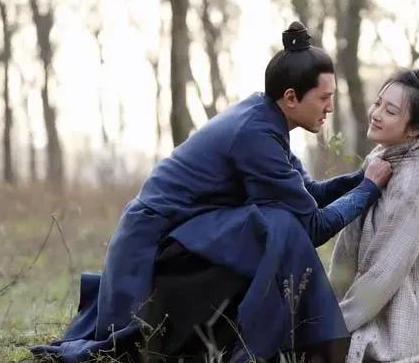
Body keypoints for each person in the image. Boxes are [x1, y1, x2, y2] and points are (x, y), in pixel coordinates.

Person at [32, 22, 393, 363]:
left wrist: (360, 177)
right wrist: (368, 189)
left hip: (196, 232)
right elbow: (312, 226)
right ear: (291, 98)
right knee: (280, 226)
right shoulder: (255, 135)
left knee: (279, 221)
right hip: (155, 242)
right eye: (324, 97)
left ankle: (272, 337)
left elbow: (308, 194)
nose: (330, 107)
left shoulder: (266, 119)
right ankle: (287, 342)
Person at [328, 68, 419, 363]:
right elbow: (347, 251)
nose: (376, 114)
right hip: (376, 299)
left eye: (390, 111)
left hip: (411, 313)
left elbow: (386, 270)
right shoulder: (380, 157)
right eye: (378, 103)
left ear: (414, 128)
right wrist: (325, 309)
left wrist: (332, 325)